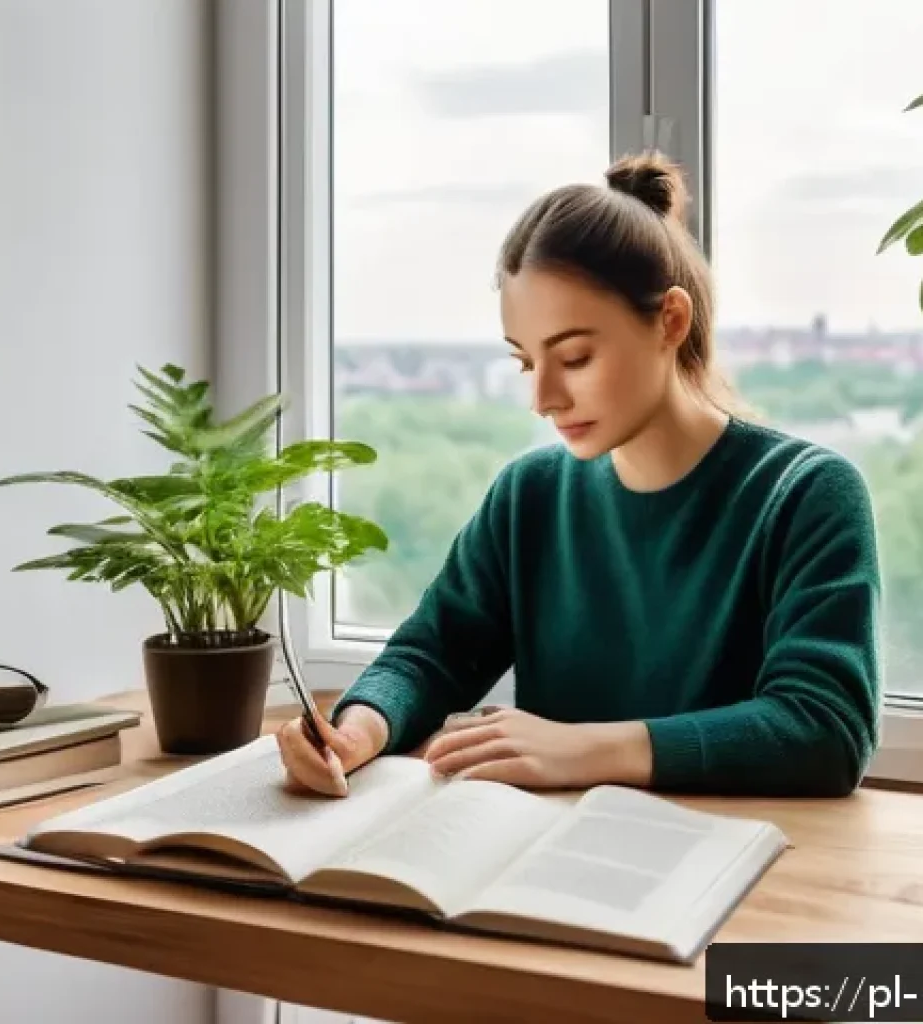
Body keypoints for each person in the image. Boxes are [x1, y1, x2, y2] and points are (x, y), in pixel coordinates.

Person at [275, 150, 882, 800]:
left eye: (575, 356)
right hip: (545, 873)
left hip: (740, 874)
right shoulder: (529, 495)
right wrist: (359, 728)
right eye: (524, 362)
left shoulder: (807, 495)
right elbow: (430, 655)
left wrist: (586, 748)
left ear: (670, 322)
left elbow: (825, 727)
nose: (543, 397)